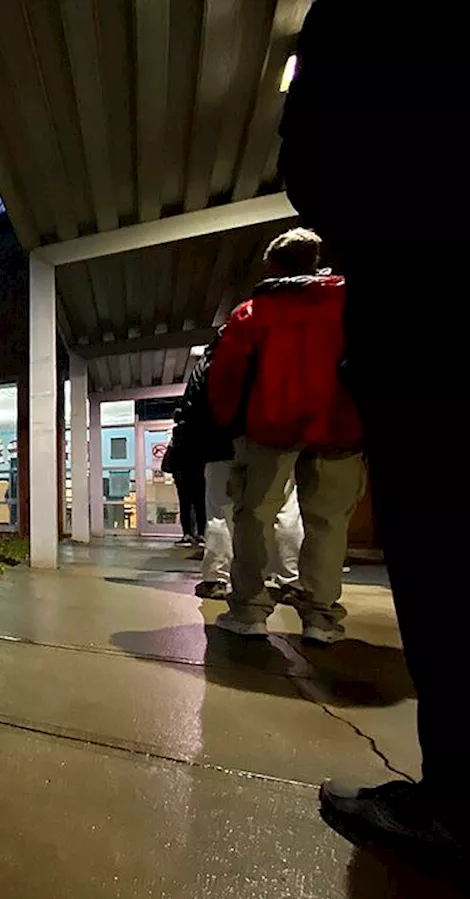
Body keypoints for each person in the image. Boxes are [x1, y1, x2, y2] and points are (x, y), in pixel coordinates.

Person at [278, 0, 470, 860]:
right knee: (328, 523)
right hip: (347, 413)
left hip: (428, 324)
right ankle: (320, 610)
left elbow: (316, 153)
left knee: (449, 562)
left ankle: (469, 802)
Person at [207, 228, 364, 644]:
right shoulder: (348, 304)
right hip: (340, 428)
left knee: (254, 516)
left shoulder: (252, 314)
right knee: (328, 522)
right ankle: (320, 617)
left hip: (269, 428)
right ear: (317, 261)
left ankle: (250, 610)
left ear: (272, 265)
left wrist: (229, 427)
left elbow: (226, 379)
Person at [176, 331, 304, 601]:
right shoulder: (275, 354)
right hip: (272, 442)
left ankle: (216, 579)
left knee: (220, 511)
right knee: (284, 508)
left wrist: (189, 448)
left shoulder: (210, 362)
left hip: (220, 446)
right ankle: (290, 581)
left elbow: (190, 407)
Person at [158, 430, 204, 546]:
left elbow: (171, 457)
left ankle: (187, 534)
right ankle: (201, 534)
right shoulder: (199, 436)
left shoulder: (177, 438)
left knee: (185, 506)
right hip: (198, 477)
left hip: (182, 478)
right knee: (200, 506)